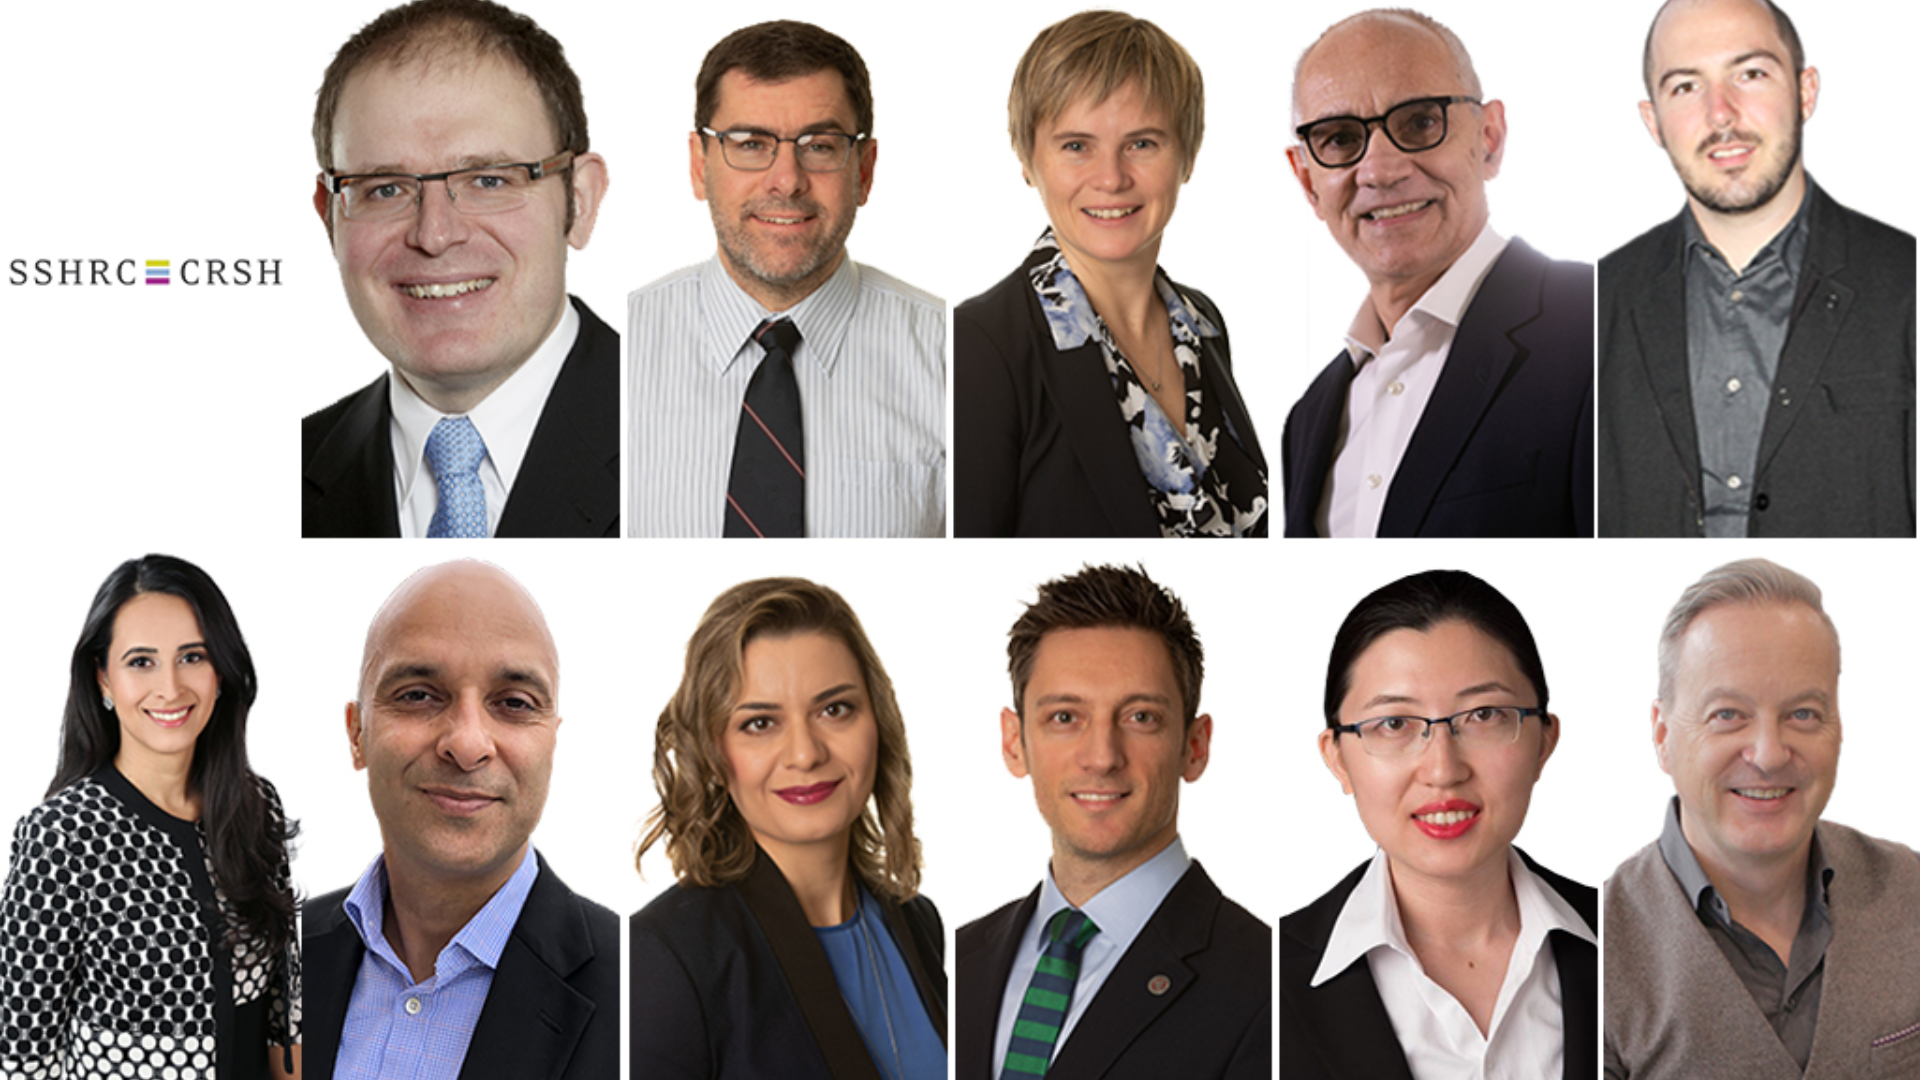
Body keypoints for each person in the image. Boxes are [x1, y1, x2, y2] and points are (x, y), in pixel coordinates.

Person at [1598, 0, 1915, 537]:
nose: (1721, 113)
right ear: (1652, 120)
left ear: (1805, 90)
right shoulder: (1595, 302)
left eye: (1750, 73)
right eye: (1686, 86)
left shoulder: (1908, 282)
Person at [304, 0, 618, 538]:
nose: (434, 235)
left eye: (489, 180)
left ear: (581, 201)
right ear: (329, 217)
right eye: (384, 188)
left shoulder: (700, 440)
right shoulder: (281, 475)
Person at [956, 12, 1269, 538]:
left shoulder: (1204, 324)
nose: (1111, 177)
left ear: (1187, 154)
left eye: (1142, 143)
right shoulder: (983, 346)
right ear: (1027, 160)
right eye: (1076, 146)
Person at [1604, 559, 1920, 1078]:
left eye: (1803, 714)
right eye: (1728, 714)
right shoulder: (1595, 952)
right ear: (1662, 736)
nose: (1770, 754)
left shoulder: (1911, 888)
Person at [1283, 9, 1593, 537]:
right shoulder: (1308, 418)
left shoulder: (1593, 324)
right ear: (1309, 182)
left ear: (1489, 138)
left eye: (1420, 122)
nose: (1381, 170)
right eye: (1338, 139)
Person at [628, 22, 945, 538]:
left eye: (819, 145)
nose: (787, 179)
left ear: (863, 170)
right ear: (697, 164)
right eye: (751, 143)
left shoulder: (949, 354)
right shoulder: (622, 349)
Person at [302, 561, 617, 1080]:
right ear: (358, 733)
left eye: (514, 703)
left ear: (552, 743)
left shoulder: (641, 984)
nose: (468, 744)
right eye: (419, 695)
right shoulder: (267, 958)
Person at [1281, 570, 1596, 1080]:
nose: (1443, 770)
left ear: (1543, 742)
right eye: (1394, 723)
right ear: (1337, 757)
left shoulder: (1627, 938)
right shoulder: (1267, 975)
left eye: (1485, 715)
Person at [957, 565, 1269, 1079]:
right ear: (1015, 743)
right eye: (1065, 717)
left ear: (1195, 746)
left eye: (1140, 717)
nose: (1102, 757)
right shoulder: (957, 958)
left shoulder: (1265, 984)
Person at [630, 578, 946, 1079]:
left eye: (834, 709)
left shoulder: (918, 922)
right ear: (713, 754)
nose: (806, 753)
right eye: (760, 723)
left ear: (878, 722)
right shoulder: (666, 956)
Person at [0, 555, 300, 1080]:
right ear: (103, 680)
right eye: (141, 661)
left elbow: (283, 1019)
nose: (170, 687)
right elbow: (21, 1056)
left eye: (192, 657)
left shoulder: (256, 808)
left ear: (222, 673)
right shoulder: (63, 838)